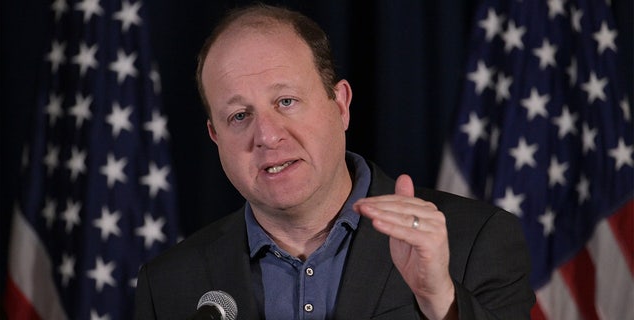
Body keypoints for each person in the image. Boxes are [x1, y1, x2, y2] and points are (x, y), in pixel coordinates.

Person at [135, 4, 535, 319]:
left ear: (340, 104)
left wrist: (439, 301)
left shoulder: (474, 240)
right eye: (240, 116)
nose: (268, 136)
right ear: (215, 137)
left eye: (286, 102)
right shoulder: (170, 285)